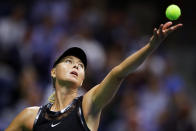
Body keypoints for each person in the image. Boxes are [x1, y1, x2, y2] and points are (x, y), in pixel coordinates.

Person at [5, 21, 182, 131]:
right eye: (68, 61)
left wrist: (150, 46)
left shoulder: (88, 105)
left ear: (82, 80)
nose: (75, 65)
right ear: (53, 72)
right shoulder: (29, 116)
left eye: (80, 65)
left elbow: (117, 73)